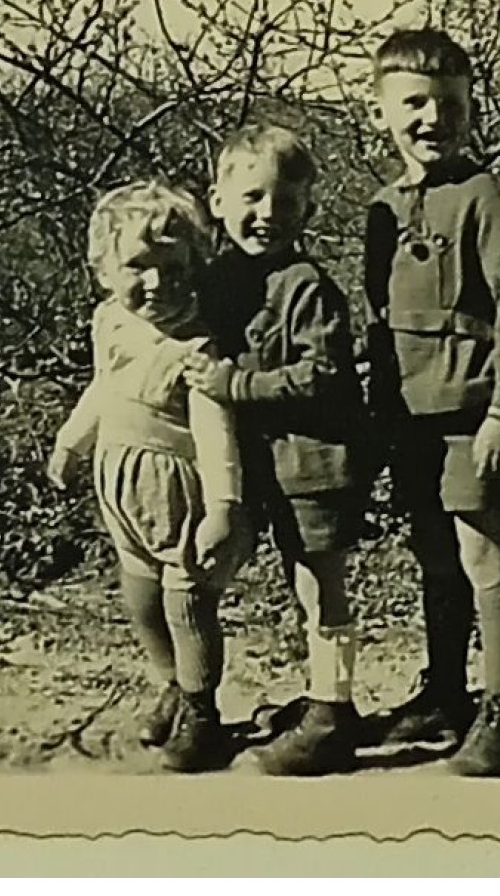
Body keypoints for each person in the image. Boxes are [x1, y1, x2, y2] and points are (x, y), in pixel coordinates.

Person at [363, 28, 500, 777]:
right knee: (434, 556)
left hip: (474, 417)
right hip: (410, 419)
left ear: (470, 107)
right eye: (412, 103)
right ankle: (447, 690)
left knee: (482, 555)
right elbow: (380, 315)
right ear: (379, 112)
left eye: (449, 103)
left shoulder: (486, 198)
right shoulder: (383, 205)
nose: (431, 118)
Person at [181, 124, 370, 776]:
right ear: (218, 200)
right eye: (252, 197)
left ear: (307, 211)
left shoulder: (305, 284)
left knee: (321, 584)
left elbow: (323, 373)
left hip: (315, 462)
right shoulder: (221, 277)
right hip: (266, 466)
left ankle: (332, 712)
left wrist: (238, 383)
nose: (267, 214)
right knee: (294, 583)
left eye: (285, 202)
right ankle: (317, 696)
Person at [47, 180, 254, 773]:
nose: (157, 283)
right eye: (138, 266)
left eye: (172, 267)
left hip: (179, 497)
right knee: (140, 601)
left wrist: (224, 506)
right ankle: (171, 684)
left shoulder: (195, 345)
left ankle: (203, 712)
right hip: (123, 493)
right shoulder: (111, 323)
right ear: (104, 271)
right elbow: (103, 388)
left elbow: (217, 434)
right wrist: (70, 442)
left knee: (186, 604)